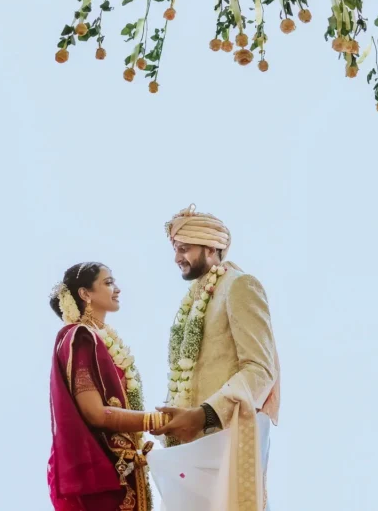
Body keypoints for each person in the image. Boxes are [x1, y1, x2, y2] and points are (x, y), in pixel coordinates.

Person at [149, 206, 280, 511]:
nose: (177, 258)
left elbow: (260, 369)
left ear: (210, 247)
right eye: (175, 249)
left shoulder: (239, 286)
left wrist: (205, 414)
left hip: (226, 441)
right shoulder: (193, 299)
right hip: (192, 450)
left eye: (184, 248)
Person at [47, 262, 168, 511]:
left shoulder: (100, 337)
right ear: (85, 294)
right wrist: (157, 421)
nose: (118, 289)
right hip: (102, 474)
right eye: (108, 282)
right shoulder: (80, 337)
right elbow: (94, 412)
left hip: (123, 468)